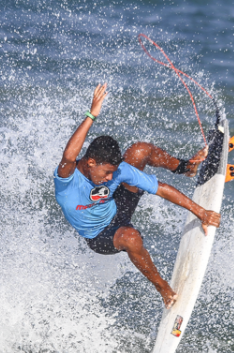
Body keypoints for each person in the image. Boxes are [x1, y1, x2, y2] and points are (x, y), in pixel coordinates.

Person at [54, 83, 221, 308]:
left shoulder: (117, 170)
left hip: (117, 208)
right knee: (131, 238)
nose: (110, 178)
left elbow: (160, 188)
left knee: (140, 151)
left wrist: (201, 212)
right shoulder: (68, 179)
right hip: (99, 236)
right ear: (91, 162)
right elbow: (69, 154)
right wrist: (91, 115)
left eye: (113, 173)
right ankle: (163, 289)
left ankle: (186, 167)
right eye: (106, 173)